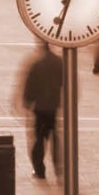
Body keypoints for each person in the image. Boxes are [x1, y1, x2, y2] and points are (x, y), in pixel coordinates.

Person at [20, 42, 62, 179]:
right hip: (53, 106)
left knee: (39, 138)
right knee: (54, 136)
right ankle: (58, 166)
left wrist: (27, 101)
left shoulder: (37, 64)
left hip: (40, 107)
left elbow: (30, 85)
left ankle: (39, 169)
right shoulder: (58, 62)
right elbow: (66, 82)